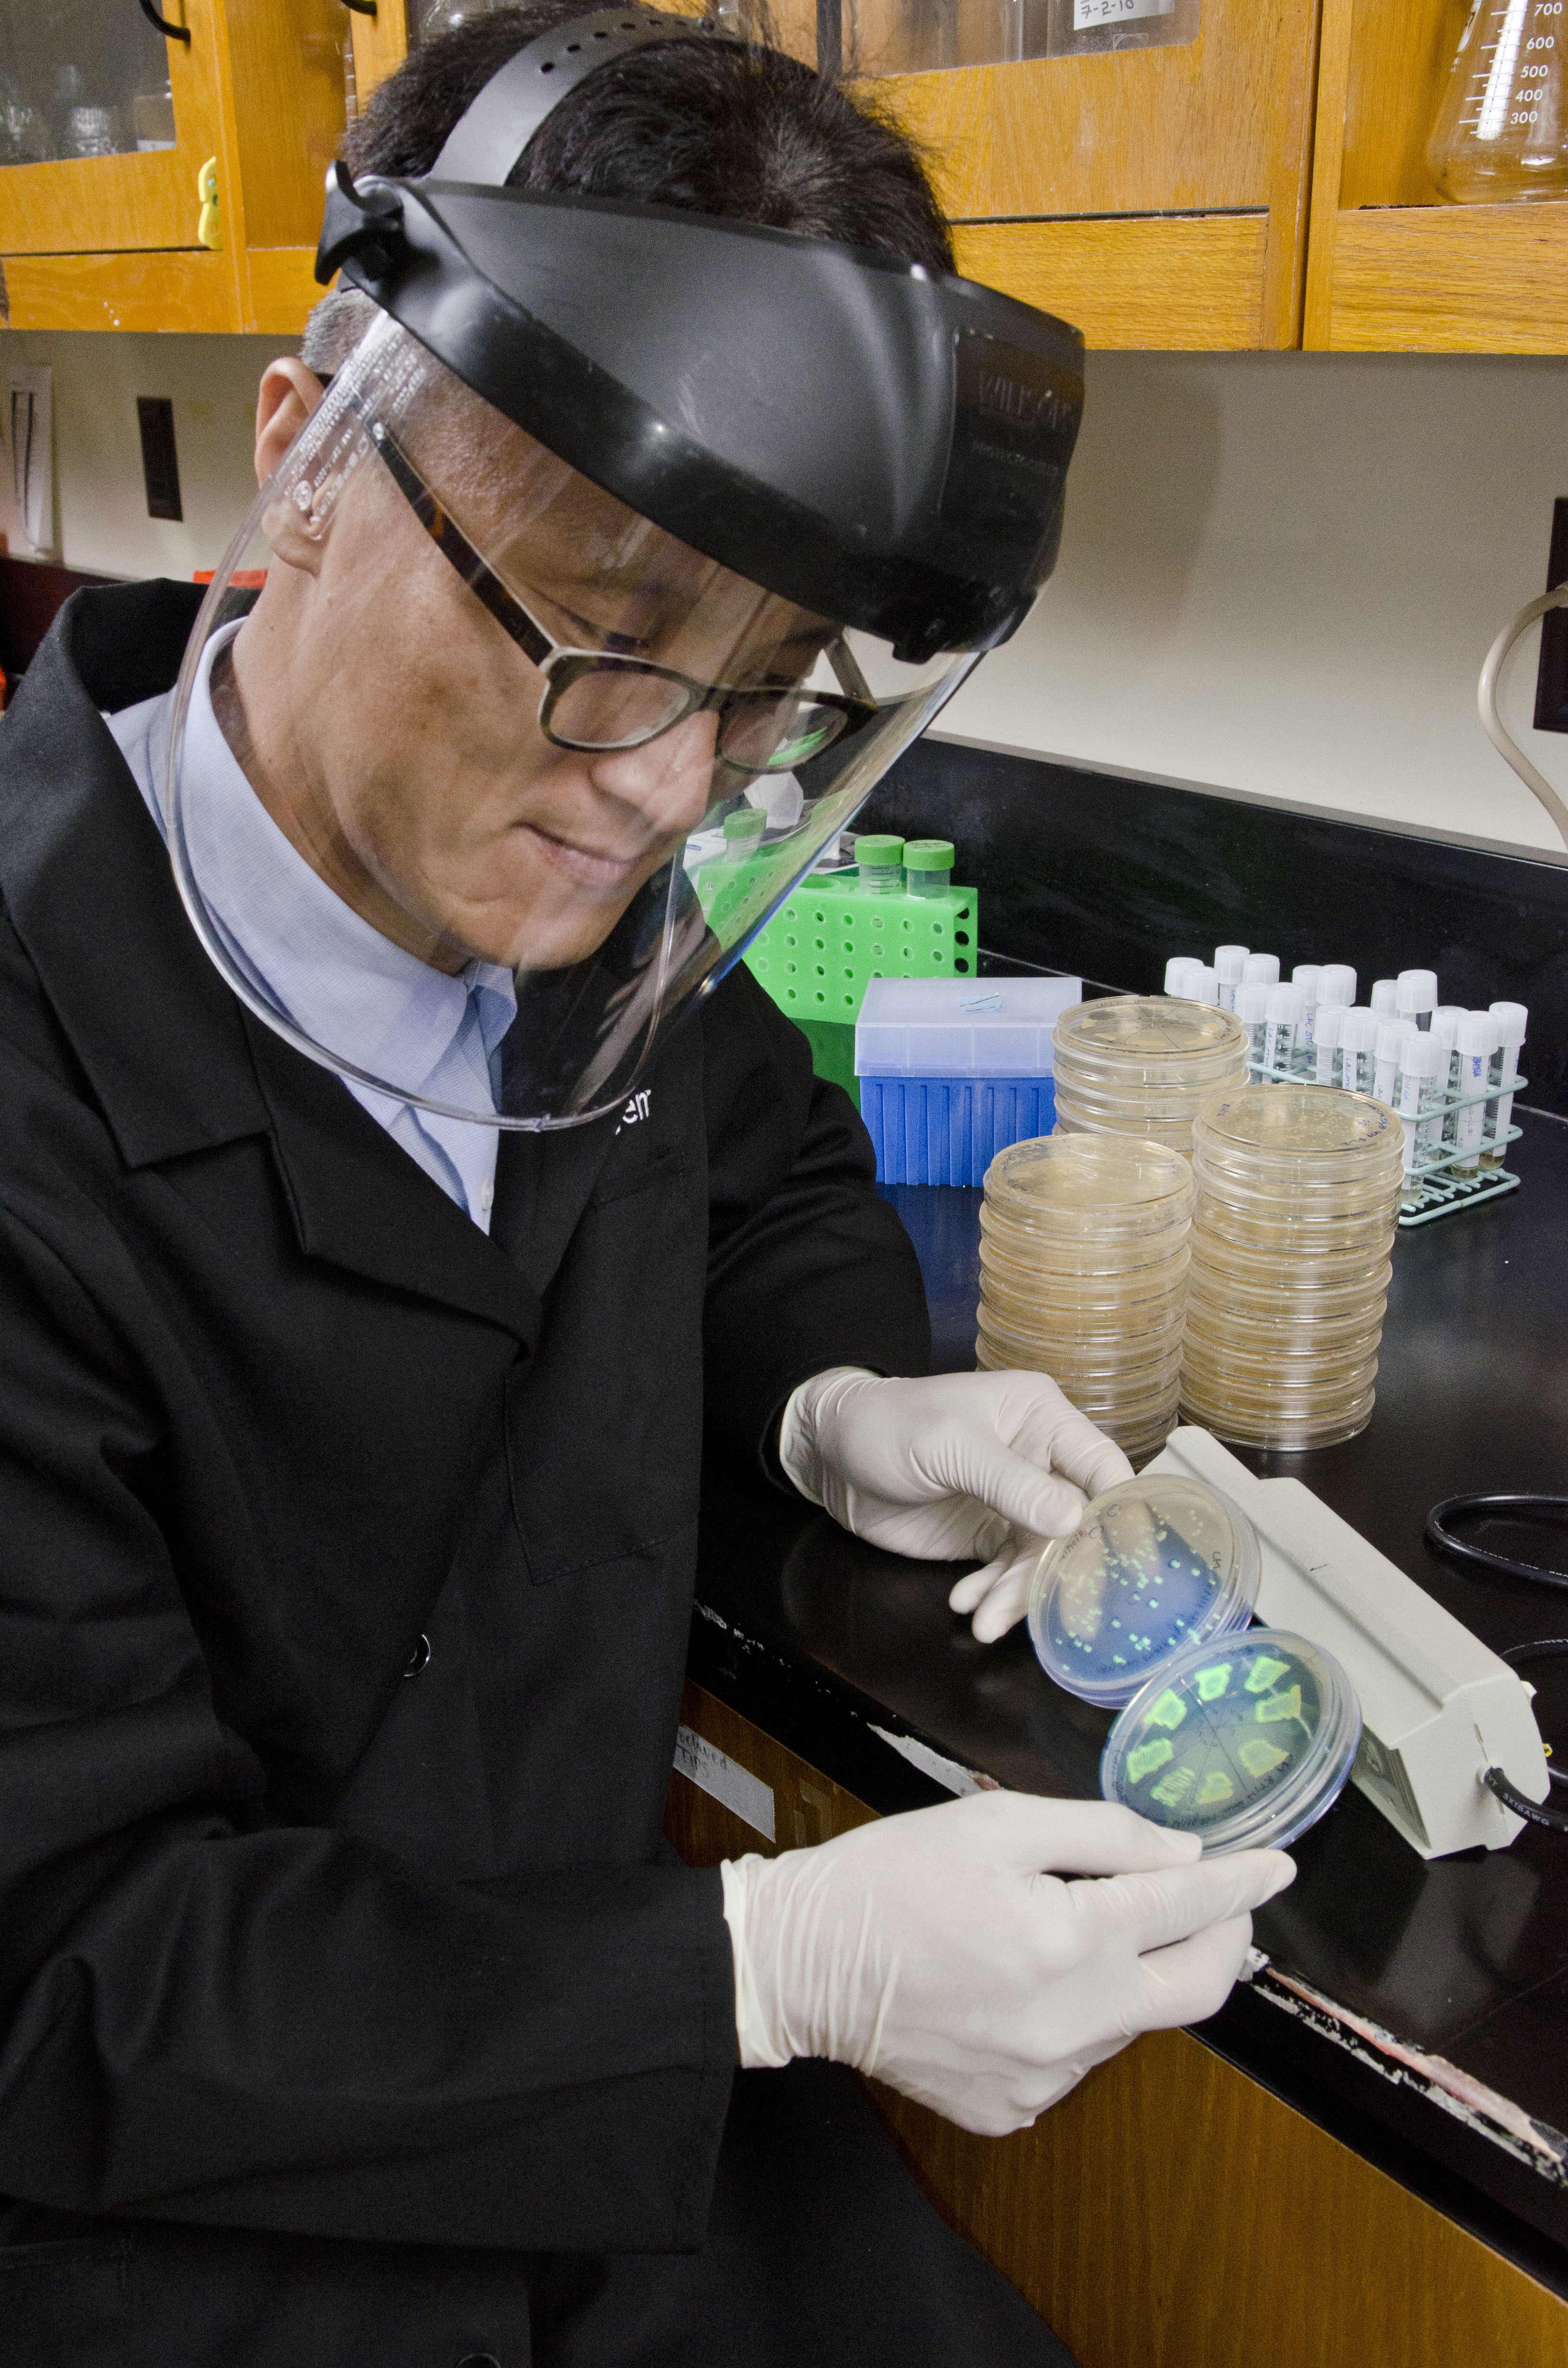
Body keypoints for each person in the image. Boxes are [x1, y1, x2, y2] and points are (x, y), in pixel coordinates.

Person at [0, 10, 1293, 2363]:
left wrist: (828, 1396)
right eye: (603, 642)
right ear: (306, 456)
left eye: (769, 693)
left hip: (617, 2144)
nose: (663, 787)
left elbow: (756, 1170)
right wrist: (763, 1964)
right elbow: (66, 1969)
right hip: (180, 2218)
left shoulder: (581, 908)